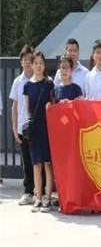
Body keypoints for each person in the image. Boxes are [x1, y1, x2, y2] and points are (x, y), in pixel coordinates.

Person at [22, 52, 55, 212]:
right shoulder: (27, 86)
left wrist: (51, 106)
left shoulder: (49, 84)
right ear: (31, 64)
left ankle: (47, 199)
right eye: (36, 63)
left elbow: (54, 105)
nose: (39, 66)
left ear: (44, 65)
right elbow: (27, 109)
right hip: (35, 129)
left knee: (47, 164)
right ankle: (38, 198)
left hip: (47, 128)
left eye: (41, 63)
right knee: (36, 165)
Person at [9, 45, 36, 205]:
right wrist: (14, 128)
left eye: (30, 59)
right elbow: (14, 106)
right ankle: (27, 192)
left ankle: (39, 191)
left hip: (37, 128)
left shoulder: (39, 79)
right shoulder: (17, 82)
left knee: (38, 160)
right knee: (26, 161)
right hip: (22, 127)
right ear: (21, 62)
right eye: (25, 59)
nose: (27, 62)